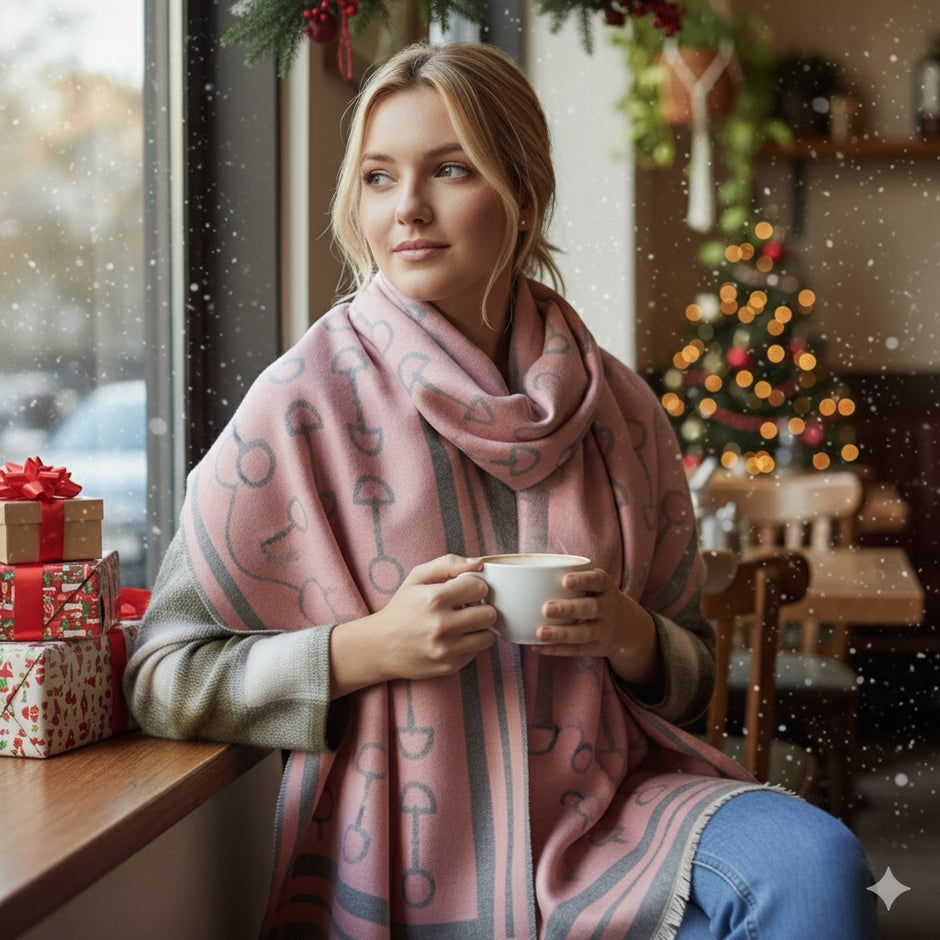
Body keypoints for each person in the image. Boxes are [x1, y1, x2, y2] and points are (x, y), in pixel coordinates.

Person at [125, 41, 878, 939]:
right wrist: (370, 648)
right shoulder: (297, 408)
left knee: (816, 867)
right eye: (376, 177)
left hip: (620, 807)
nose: (406, 208)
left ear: (522, 193)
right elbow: (162, 676)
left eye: (449, 169)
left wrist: (631, 636)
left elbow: (694, 673)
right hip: (406, 843)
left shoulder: (622, 410)